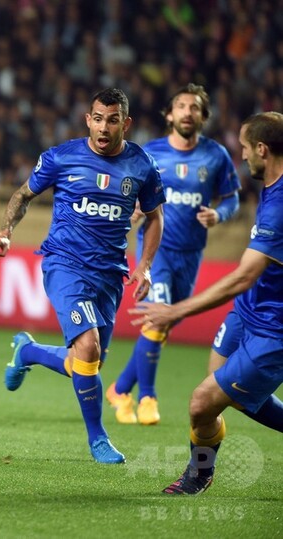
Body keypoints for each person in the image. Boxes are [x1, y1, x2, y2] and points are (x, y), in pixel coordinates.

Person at [0, 88, 165, 464]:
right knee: (88, 349)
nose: (104, 127)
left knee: (86, 364)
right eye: (97, 119)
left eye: (112, 120)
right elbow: (22, 196)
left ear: (126, 124)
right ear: (87, 120)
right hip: (65, 264)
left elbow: (155, 218)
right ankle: (98, 439)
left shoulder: (141, 165)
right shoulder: (62, 157)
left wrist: (145, 265)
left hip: (110, 274)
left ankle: (28, 351)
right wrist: (5, 232)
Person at [131, 111, 283, 495]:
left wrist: (175, 311)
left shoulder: (279, 204)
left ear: (262, 150)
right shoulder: (271, 184)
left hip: (274, 328)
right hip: (250, 310)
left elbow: (244, 276)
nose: (242, 155)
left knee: (201, 403)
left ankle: (199, 474)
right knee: (218, 392)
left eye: (245, 148)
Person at [106, 84, 241, 426]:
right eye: (181, 106)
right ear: (169, 114)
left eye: (194, 107)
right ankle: (148, 398)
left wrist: (219, 214)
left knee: (165, 321)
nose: (187, 112)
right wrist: (133, 208)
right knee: (157, 319)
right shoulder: (150, 152)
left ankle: (119, 389)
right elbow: (126, 187)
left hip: (191, 254)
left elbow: (233, 198)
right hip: (157, 250)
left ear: (203, 116)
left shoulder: (215, 155)